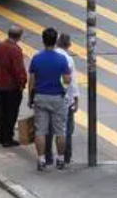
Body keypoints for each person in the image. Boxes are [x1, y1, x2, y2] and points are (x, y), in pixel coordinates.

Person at [29, 27, 72, 172]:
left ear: (43, 40)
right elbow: (67, 79)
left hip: (40, 97)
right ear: (56, 42)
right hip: (57, 98)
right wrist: (63, 88)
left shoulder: (36, 58)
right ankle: (60, 159)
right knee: (60, 131)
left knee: (40, 131)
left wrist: (31, 97)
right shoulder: (62, 59)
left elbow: (32, 81)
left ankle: (41, 160)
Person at [45, 34, 79, 166]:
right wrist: (75, 100)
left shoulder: (47, 55)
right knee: (66, 130)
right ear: (69, 45)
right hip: (64, 99)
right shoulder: (68, 60)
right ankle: (65, 157)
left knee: (48, 129)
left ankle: (47, 157)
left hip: (47, 96)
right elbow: (72, 82)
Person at [0, 25, 27, 147]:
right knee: (11, 112)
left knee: (1, 111)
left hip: (0, 84)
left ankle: (0, 136)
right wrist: (22, 83)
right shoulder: (15, 50)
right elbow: (18, 70)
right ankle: (8, 138)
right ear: (19, 37)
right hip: (12, 87)